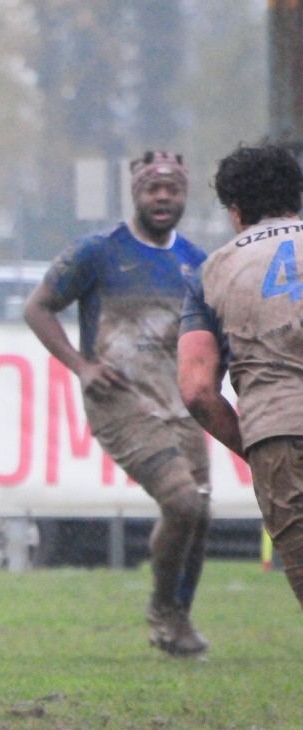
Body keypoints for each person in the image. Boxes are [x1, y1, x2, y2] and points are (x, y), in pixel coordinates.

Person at [24, 150, 211, 658]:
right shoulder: (98, 251)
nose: (163, 197)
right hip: (119, 401)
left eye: (172, 189)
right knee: (182, 501)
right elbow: (37, 308)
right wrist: (81, 365)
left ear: (185, 195)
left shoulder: (196, 262)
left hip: (179, 403)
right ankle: (163, 611)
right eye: (153, 188)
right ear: (135, 193)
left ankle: (177, 619)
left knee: (199, 513)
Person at [177, 144, 303, 623]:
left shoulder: (213, 273)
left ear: (235, 210)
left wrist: (252, 445)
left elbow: (196, 389)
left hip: (278, 432)